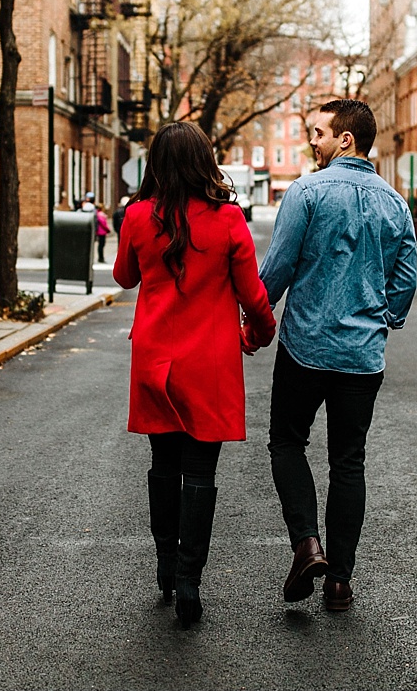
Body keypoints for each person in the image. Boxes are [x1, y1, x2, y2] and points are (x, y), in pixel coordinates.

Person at [113, 122, 277, 627]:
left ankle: (164, 564)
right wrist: (257, 335)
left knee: (163, 464)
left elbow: (124, 276)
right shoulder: (229, 219)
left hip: (156, 361)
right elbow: (253, 296)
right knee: (200, 473)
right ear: (205, 161)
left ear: (156, 164)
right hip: (209, 364)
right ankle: (189, 579)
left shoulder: (139, 216)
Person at [259, 99, 417, 613]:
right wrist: (382, 319)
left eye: (318, 133)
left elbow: (279, 266)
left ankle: (307, 545)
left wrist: (254, 315)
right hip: (361, 357)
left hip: (305, 346)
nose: (312, 141)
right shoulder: (395, 202)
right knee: (349, 462)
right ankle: (340, 581)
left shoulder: (306, 191)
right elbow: (405, 277)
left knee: (286, 442)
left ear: (344, 139)